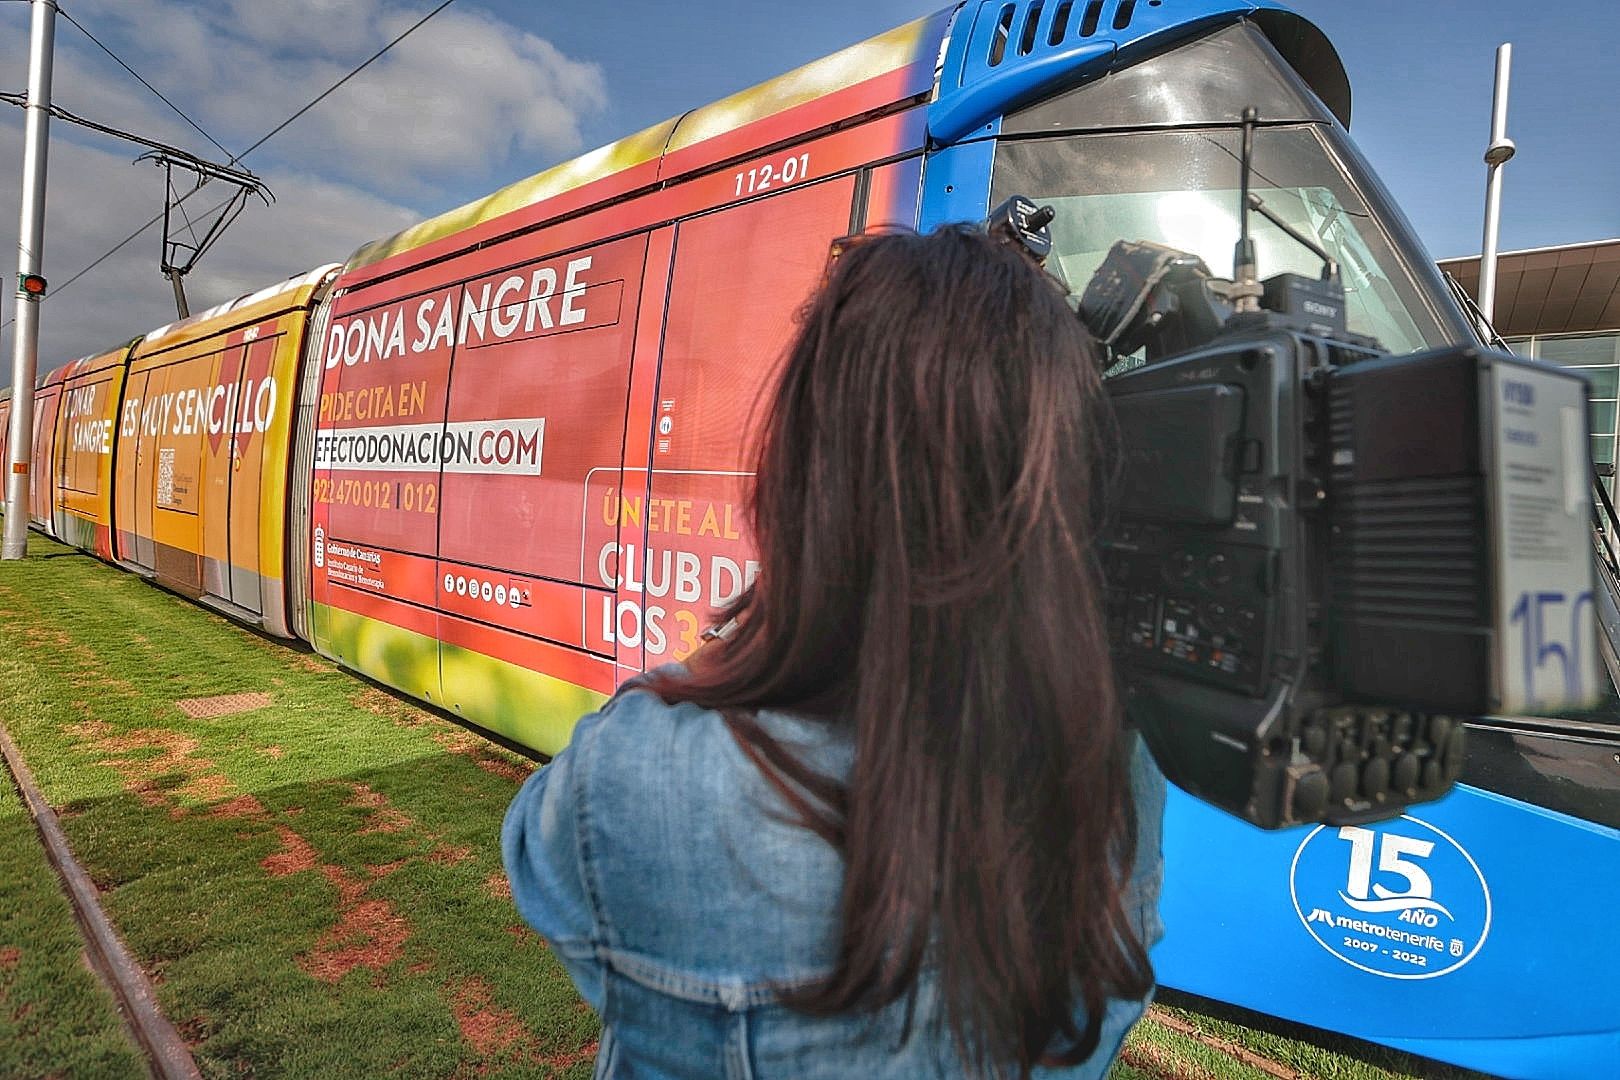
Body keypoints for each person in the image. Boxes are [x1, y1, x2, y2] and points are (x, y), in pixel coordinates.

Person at [503, 225, 1165, 1079]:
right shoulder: (1115, 777)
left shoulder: (636, 771)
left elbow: (535, 854)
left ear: (806, 466)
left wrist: (760, 633)